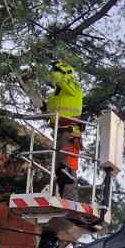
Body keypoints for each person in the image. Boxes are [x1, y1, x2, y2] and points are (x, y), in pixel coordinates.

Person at [43, 58, 85, 198]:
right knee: (59, 168)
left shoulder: (74, 87)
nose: (52, 76)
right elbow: (47, 110)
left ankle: (70, 198)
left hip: (72, 131)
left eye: (54, 72)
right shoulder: (56, 95)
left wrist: (53, 67)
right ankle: (63, 195)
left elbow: (60, 78)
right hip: (59, 133)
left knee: (67, 167)